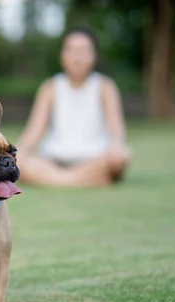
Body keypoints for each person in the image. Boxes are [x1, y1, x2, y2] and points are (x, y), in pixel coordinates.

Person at [17, 27, 131, 187]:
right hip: (54, 160)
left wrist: (116, 147)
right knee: (19, 163)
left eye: (84, 50)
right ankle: (80, 180)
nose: (78, 57)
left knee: (122, 157)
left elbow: (116, 129)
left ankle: (57, 180)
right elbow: (34, 130)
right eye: (72, 50)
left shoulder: (105, 86)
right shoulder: (50, 87)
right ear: (62, 55)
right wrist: (20, 153)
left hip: (95, 160)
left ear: (94, 55)